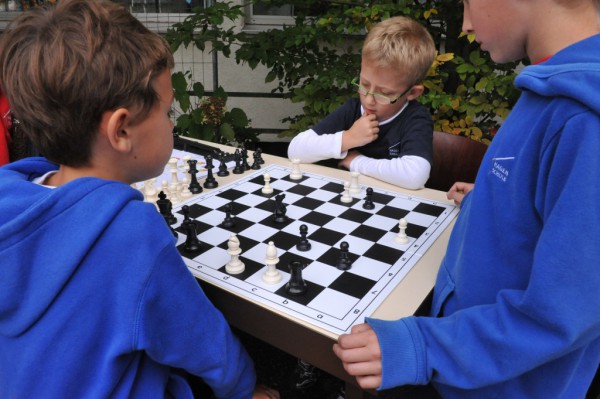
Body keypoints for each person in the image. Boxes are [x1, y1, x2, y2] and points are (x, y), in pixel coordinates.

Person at [0, 1, 278, 398]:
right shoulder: (130, 233)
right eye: (167, 111)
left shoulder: (12, 201)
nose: (172, 123)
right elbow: (202, 340)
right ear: (122, 129)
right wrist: (245, 387)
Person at [333, 0, 600, 398]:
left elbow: (562, 315)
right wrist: (497, 196)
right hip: (471, 362)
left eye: (468, 2)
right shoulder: (554, 90)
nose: (467, 24)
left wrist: (423, 346)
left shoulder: (585, 119)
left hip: (495, 382)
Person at [287, 16, 436, 190]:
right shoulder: (353, 109)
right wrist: (347, 139)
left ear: (412, 93)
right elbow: (295, 150)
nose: (369, 99)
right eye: (364, 84)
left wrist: (355, 161)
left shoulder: (416, 118)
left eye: (384, 93)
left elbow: (414, 176)